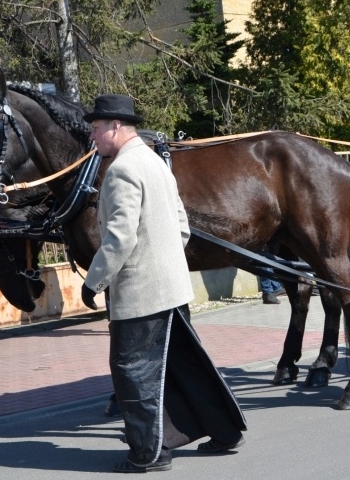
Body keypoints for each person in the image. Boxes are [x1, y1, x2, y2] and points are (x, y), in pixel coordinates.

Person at [81, 94, 247, 473]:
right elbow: (182, 227)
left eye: (96, 129)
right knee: (186, 365)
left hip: (141, 294)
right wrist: (165, 262)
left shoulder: (122, 170)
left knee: (132, 370)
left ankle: (149, 453)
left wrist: (94, 282)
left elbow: (120, 238)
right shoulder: (155, 162)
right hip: (171, 287)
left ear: (115, 127)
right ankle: (224, 432)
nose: (93, 136)